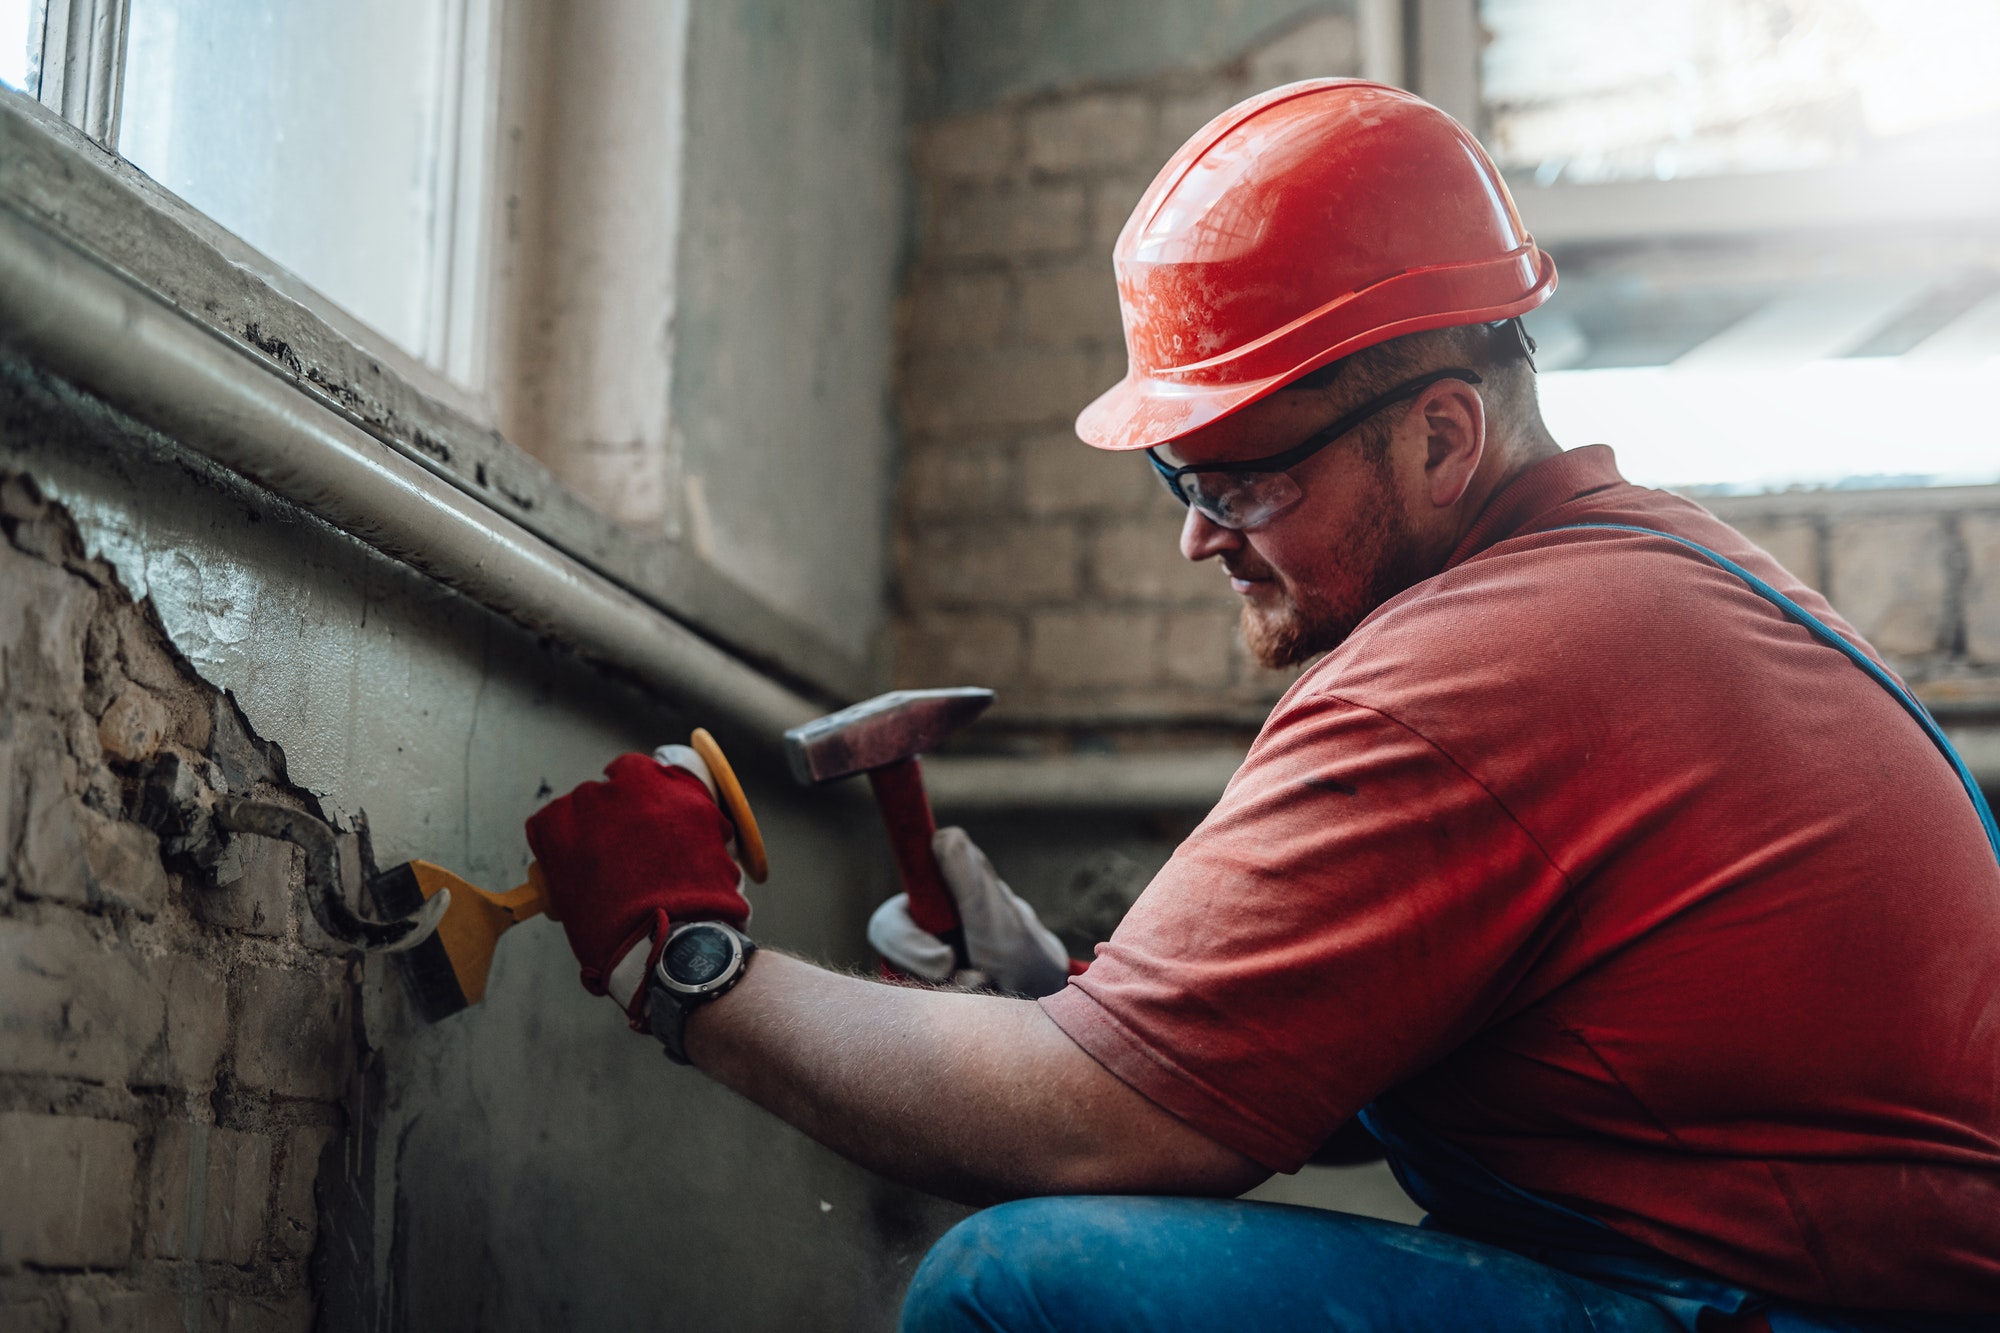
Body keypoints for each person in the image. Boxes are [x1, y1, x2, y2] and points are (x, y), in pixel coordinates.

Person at [524, 81, 2000, 1330]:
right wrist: (1077, 996)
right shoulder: (1652, 579)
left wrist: (689, 960)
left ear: (1439, 437)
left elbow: (1088, 1128)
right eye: (1185, 478)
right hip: (1804, 1275)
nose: (1198, 534)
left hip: (1783, 1303)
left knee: (1025, 1287)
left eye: (1238, 481)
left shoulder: (1479, 668)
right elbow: (1410, 1053)